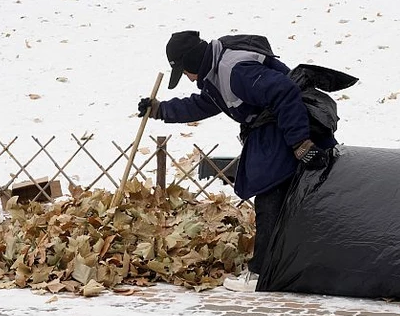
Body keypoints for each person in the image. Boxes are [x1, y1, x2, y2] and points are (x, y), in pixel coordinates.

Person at [138, 30, 337, 292]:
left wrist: (301, 143)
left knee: (270, 194)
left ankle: (261, 275)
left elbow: (284, 90)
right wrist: (161, 110)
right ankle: (281, 266)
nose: (186, 77)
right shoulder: (216, 71)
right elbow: (204, 104)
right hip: (274, 126)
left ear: (192, 61)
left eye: (184, 71)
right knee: (277, 194)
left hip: (289, 122)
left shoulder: (234, 70)